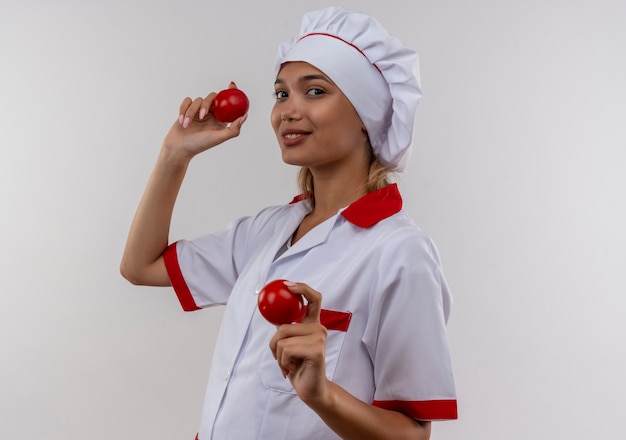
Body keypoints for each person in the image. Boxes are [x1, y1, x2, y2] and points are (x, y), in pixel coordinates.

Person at [120, 6, 457, 440]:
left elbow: (412, 433)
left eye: (314, 92)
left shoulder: (399, 253)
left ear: (365, 115)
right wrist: (174, 155)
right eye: (281, 94)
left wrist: (322, 395)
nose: (287, 111)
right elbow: (140, 266)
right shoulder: (269, 230)